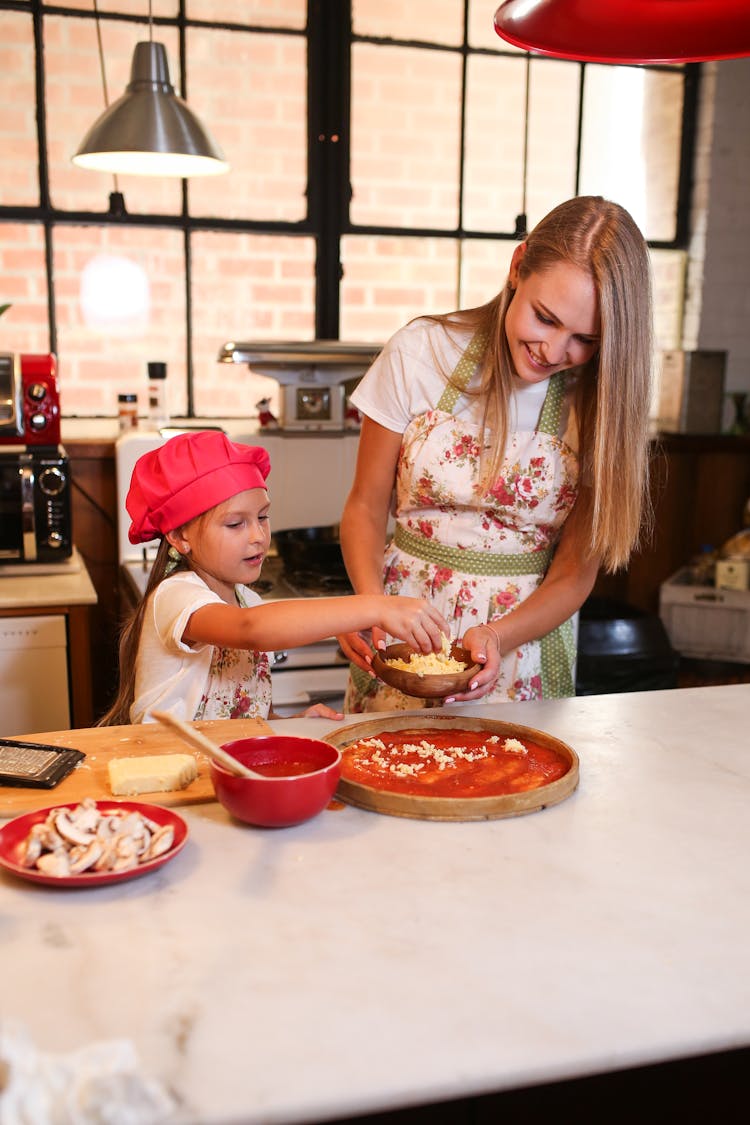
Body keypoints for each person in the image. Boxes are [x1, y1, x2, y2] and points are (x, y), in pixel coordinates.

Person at [338, 195, 654, 711]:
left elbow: (574, 573)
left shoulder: (604, 401)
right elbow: (365, 507)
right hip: (398, 635)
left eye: (586, 339)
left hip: (520, 647)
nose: (554, 352)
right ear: (516, 267)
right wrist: (369, 605)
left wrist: (499, 636)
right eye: (545, 318)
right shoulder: (422, 351)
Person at [99, 430, 449, 725]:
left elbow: (247, 716)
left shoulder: (246, 599)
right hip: (166, 768)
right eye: (236, 524)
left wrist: (291, 725)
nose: (257, 536)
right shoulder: (176, 596)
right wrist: (375, 608)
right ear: (179, 537)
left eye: (263, 517)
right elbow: (252, 629)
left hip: (221, 771)